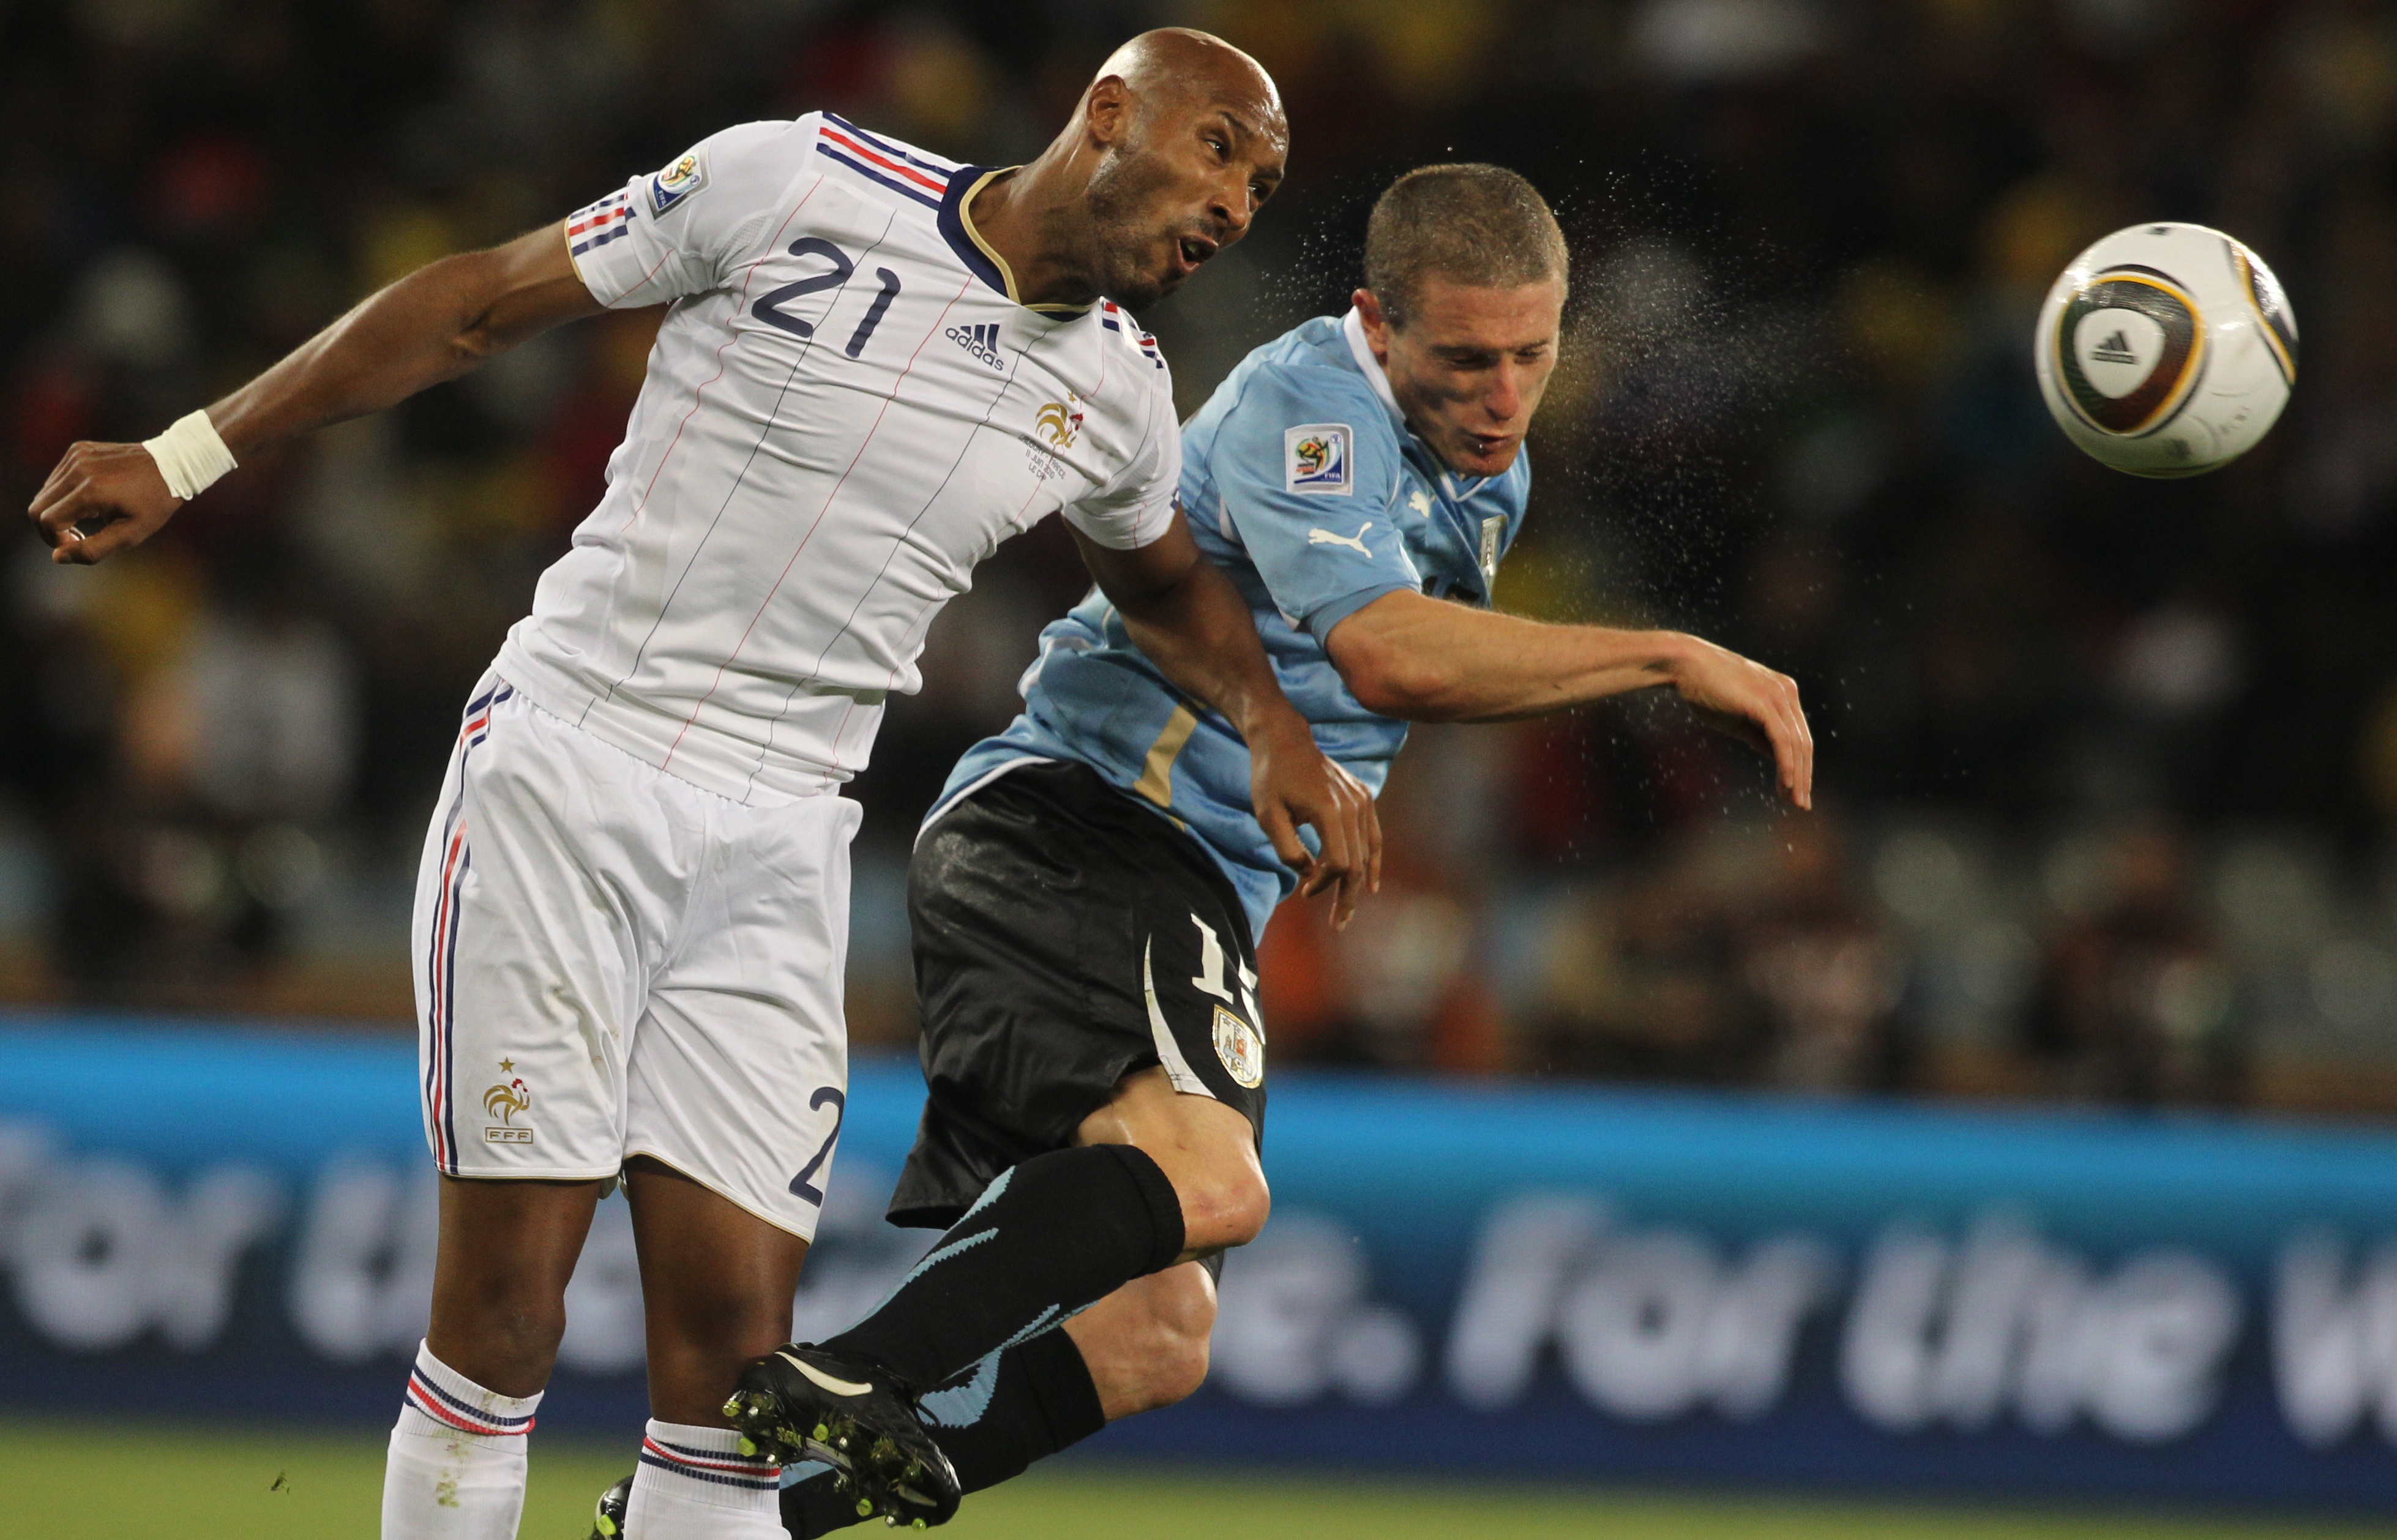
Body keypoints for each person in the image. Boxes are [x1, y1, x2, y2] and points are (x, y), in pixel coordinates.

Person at [26, 28, 1378, 1540]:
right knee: (503, 1318)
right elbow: (478, 305)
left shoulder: (1121, 393)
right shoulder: (798, 178)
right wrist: (194, 451)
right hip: (572, 764)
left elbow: (1166, 584)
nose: (1236, 208)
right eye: (1217, 155)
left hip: (784, 845)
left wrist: (1274, 731)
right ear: (1109, 114)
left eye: (1262, 188)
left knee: (739, 1373)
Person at [710, 162, 1812, 1534]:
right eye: (1465, 358)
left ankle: (737, 1527)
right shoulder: (1312, 408)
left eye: (1531, 355)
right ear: (1376, 321)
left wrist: (1339, 789)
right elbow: (1386, 653)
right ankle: (850, 1368)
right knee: (1213, 1179)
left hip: (1188, 884)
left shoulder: (1488, 469)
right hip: (1082, 824)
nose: (1502, 394)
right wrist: (1666, 652)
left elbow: (1378, 685)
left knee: (1158, 1337)